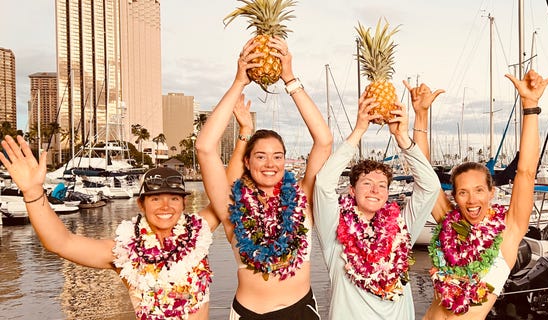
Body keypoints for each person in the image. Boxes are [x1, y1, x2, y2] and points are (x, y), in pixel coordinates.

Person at [0, 135, 220, 320]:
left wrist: (244, 132)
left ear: (183, 203)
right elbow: (60, 243)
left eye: (174, 198)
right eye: (155, 199)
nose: (165, 206)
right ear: (141, 204)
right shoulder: (124, 252)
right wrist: (32, 192)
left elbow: (226, 191)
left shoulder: (198, 232)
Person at [195, 36, 332, 319]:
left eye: (277, 156)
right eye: (260, 156)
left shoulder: (302, 197)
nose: (270, 164)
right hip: (248, 314)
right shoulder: (233, 206)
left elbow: (324, 141)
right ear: (247, 161)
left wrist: (290, 79)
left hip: (301, 311)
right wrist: (239, 82)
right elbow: (205, 148)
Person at [417, 69, 548, 319]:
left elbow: (526, 172)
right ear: (454, 196)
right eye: (463, 192)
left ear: (491, 192)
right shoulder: (449, 227)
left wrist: (530, 107)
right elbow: (424, 177)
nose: (472, 200)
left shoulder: (509, 232)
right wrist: (421, 115)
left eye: (478, 190)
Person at [312, 93, 442, 319]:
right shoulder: (334, 227)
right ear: (352, 190)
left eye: (382, 185)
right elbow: (323, 184)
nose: (375, 189)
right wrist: (359, 130)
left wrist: (402, 137)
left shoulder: (402, 229)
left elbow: (430, 186)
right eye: (367, 183)